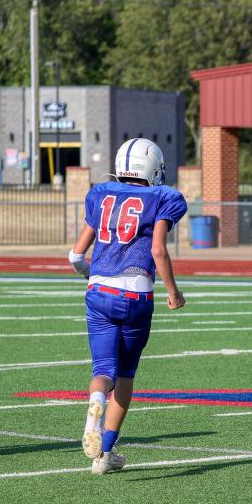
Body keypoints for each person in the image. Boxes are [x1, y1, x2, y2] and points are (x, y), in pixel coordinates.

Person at [68, 138, 186, 476]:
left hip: (98, 291)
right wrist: (174, 292)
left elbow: (75, 255)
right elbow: (158, 250)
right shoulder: (163, 197)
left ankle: (95, 406)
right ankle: (105, 454)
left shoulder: (102, 194)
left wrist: (91, 273)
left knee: (103, 370)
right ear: (153, 169)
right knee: (126, 374)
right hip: (136, 294)